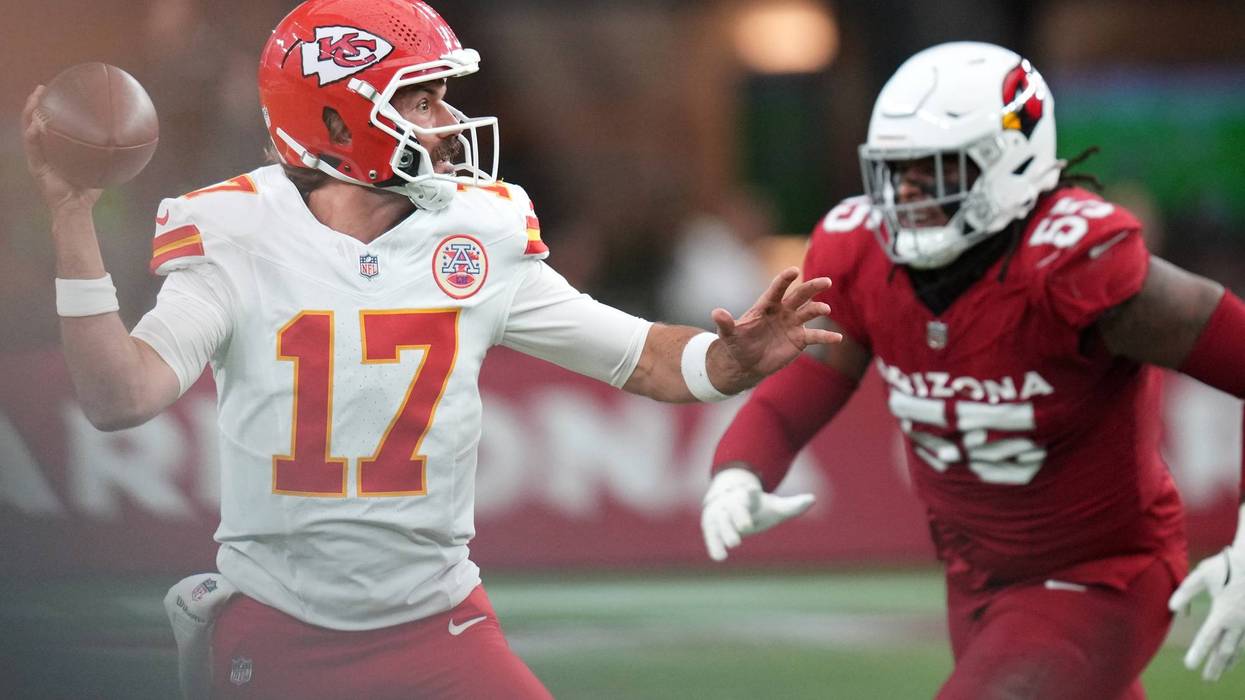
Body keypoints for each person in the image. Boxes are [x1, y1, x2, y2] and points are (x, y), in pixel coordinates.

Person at [22, 1, 841, 698]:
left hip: (439, 622)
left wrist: (727, 361)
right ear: (336, 119)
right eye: (419, 100)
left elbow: (644, 357)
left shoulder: (477, 230)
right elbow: (119, 397)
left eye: (441, 96)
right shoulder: (239, 232)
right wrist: (71, 219)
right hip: (280, 626)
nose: (447, 123)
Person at [701, 41, 1245, 699]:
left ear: (1010, 161)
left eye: (933, 171)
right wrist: (739, 465)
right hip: (974, 578)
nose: (904, 194)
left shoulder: (1074, 264)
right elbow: (818, 372)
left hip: (1103, 573)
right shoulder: (858, 252)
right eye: (894, 172)